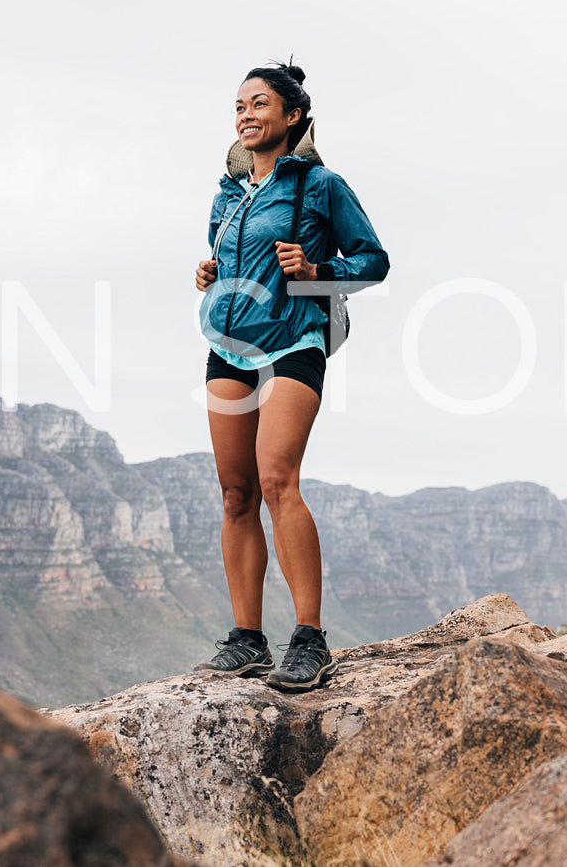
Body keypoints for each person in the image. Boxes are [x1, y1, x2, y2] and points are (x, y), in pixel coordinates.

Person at [192, 61, 390, 692]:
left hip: (293, 340)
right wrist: (209, 272)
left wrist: (314, 268)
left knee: (278, 480)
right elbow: (227, 252)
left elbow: (374, 263)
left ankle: (309, 639)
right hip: (228, 345)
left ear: (293, 116)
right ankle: (247, 639)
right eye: (240, 106)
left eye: (259, 105)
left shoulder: (321, 185)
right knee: (234, 492)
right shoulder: (227, 192)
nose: (247, 115)